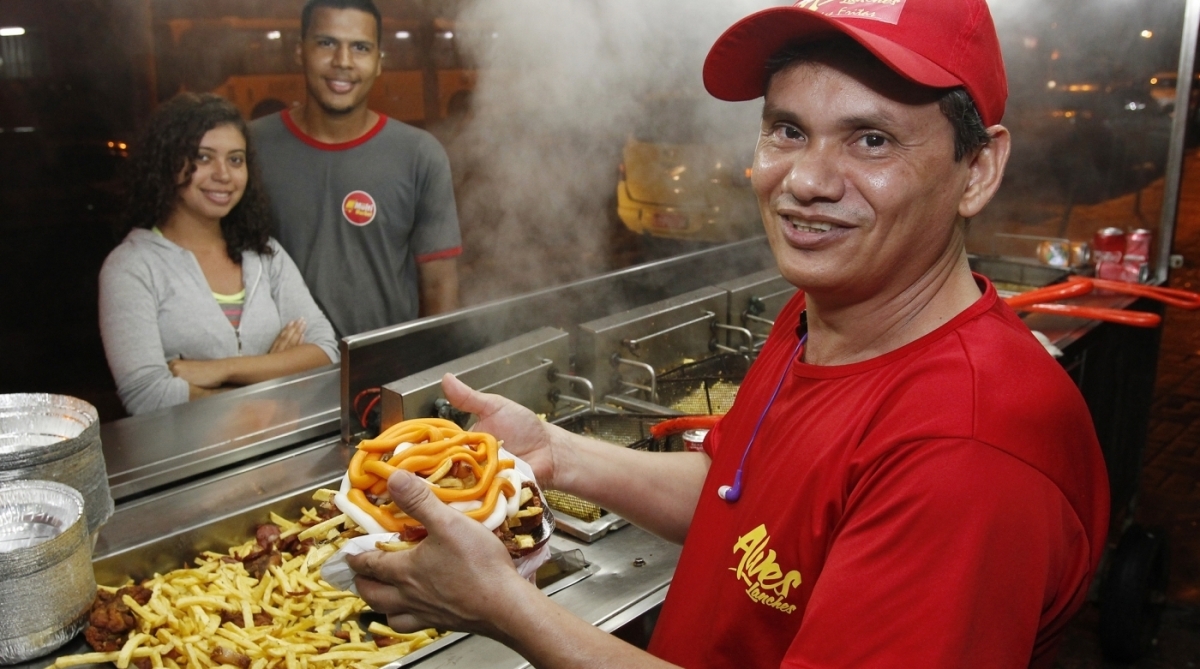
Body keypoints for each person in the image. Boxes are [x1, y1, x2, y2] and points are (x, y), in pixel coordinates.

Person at [346, 0, 1111, 667]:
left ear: (977, 169)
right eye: (787, 129)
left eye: (871, 138)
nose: (807, 180)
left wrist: (504, 607)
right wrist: (558, 451)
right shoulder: (819, 312)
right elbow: (752, 499)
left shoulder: (968, 452)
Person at [99, 93, 340, 416]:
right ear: (167, 163)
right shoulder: (131, 267)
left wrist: (222, 370)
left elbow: (326, 352)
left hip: (279, 457)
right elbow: (148, 395)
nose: (223, 174)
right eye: (203, 157)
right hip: (191, 463)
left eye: (235, 159)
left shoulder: (263, 252)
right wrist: (273, 374)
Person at [249, 0, 462, 337]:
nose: (343, 62)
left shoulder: (419, 154)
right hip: (280, 375)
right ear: (299, 52)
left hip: (385, 374)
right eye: (326, 43)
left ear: (379, 62)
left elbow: (439, 287)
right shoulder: (250, 148)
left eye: (360, 47)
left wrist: (428, 374)